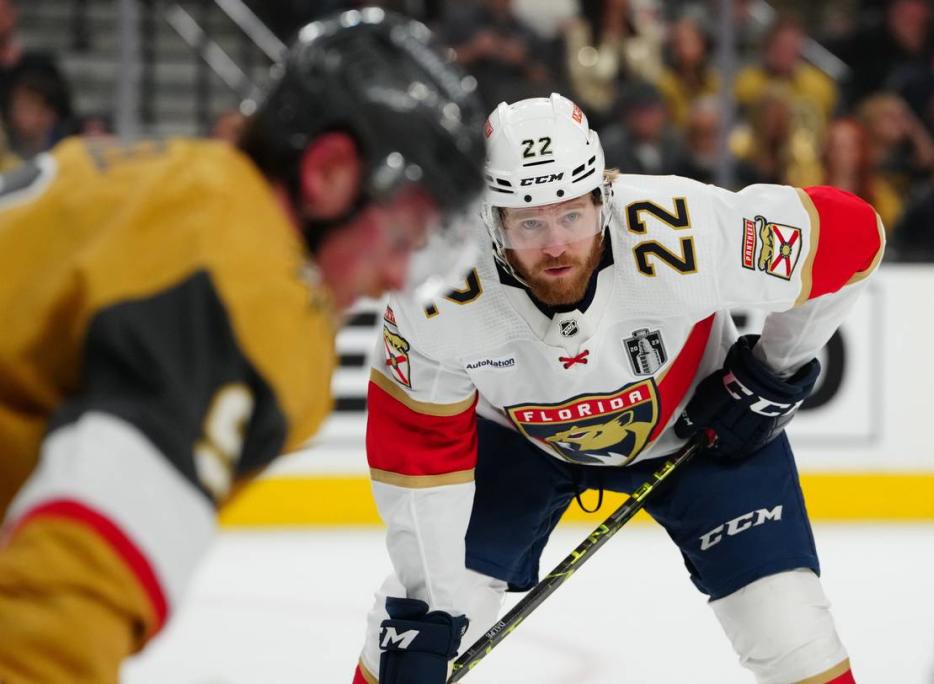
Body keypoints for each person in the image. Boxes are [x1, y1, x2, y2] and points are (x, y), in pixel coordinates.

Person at [0, 8, 485, 682]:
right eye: (403, 236)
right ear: (329, 173)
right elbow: (74, 587)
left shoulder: (175, 182)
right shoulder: (250, 282)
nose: (397, 279)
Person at [353, 93, 884, 684]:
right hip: (520, 446)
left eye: (572, 215)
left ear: (605, 196)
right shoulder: (436, 287)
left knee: (793, 638)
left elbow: (855, 235)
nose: (555, 244)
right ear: (490, 219)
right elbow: (420, 451)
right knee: (401, 647)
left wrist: (774, 371)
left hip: (699, 430)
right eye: (529, 222)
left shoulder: (684, 228)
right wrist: (430, 606)